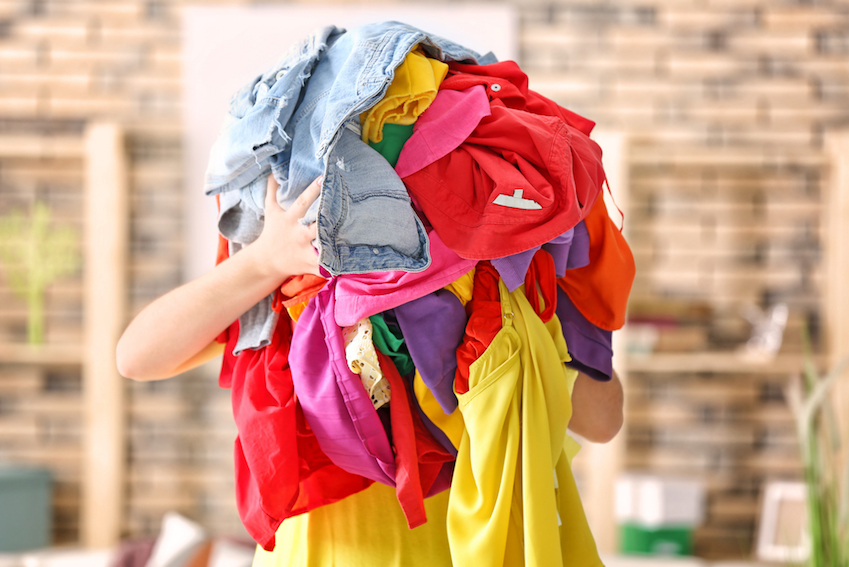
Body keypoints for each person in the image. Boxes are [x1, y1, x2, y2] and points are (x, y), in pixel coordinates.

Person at [116, 174, 624, 565]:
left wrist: (493, 301)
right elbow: (137, 355)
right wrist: (263, 262)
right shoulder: (300, 287)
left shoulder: (501, 289)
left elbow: (603, 420)